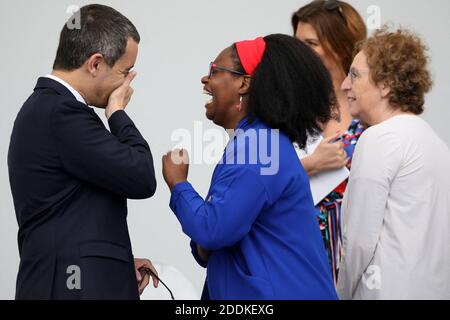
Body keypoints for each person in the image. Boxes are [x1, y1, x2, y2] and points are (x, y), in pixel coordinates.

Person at [162, 34, 338, 299]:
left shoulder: (260, 147)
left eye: (214, 71)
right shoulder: (255, 142)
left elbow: (212, 230)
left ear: (243, 83)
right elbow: (211, 242)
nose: (205, 79)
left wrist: (179, 184)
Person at [8, 4, 159, 299]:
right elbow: (141, 175)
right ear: (95, 64)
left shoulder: (50, 109)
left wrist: (111, 265)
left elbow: (72, 212)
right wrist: (117, 113)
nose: (128, 82)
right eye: (125, 71)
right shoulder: (61, 112)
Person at [337, 27, 450, 299]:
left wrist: (339, 294)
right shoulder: (436, 143)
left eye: (354, 74)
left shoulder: (379, 138)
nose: (344, 85)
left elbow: (359, 243)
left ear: (385, 84)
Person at [291, 0, 367, 283]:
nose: (299, 53)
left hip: (356, 267)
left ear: (342, 46)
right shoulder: (287, 110)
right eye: (296, 43)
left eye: (310, 43)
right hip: (296, 258)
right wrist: (310, 165)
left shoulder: (371, 117)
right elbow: (259, 182)